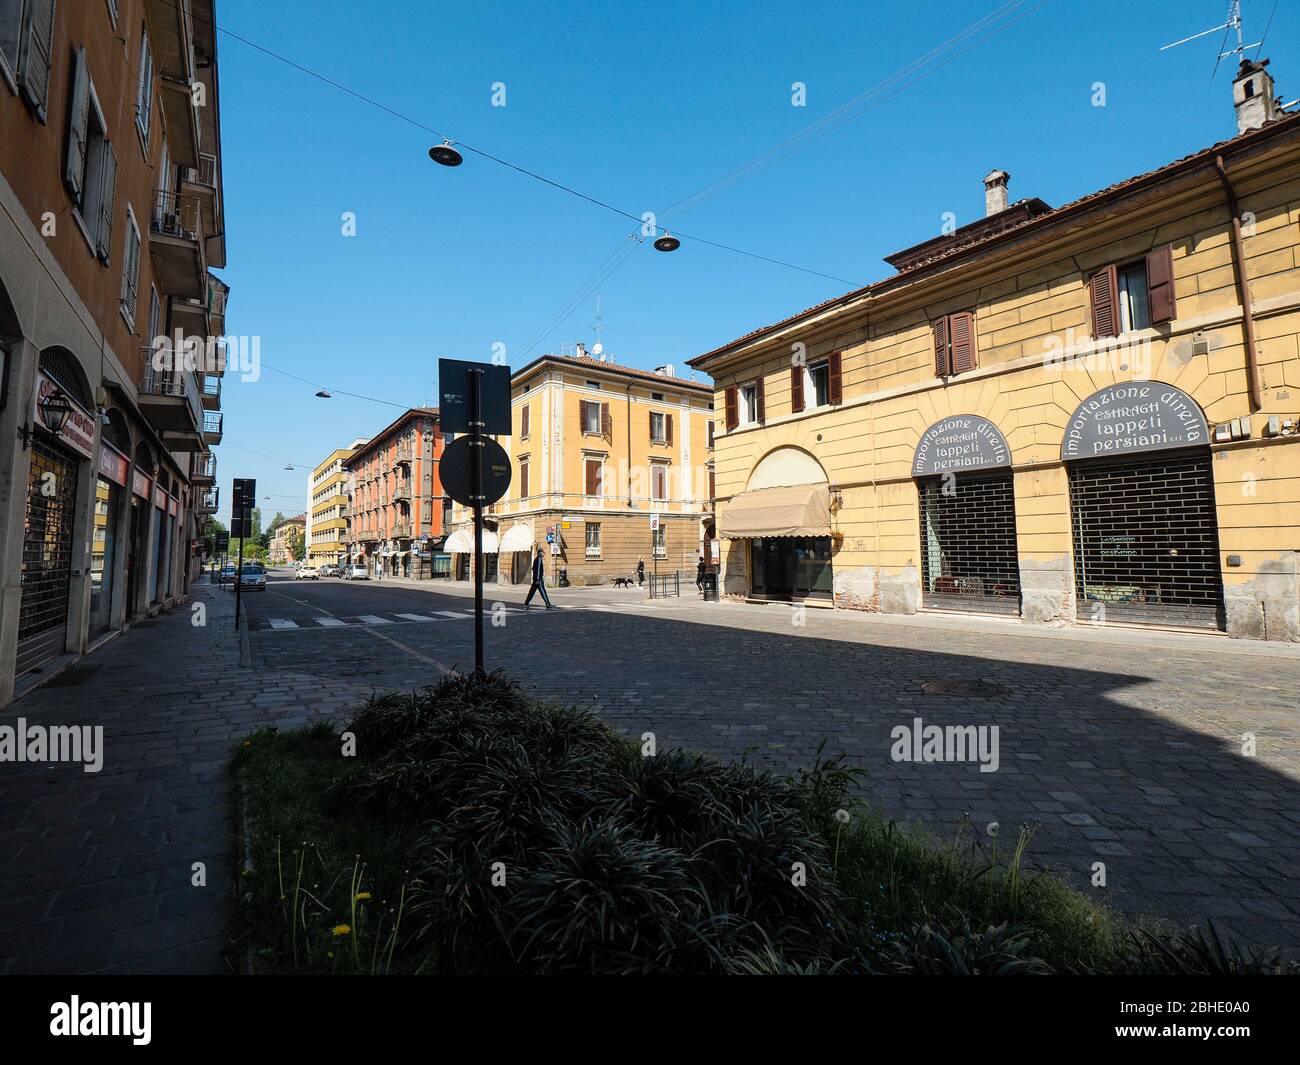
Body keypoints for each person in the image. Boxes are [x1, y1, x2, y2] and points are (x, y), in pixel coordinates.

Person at [524, 545, 555, 609]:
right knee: (543, 592)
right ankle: (548, 605)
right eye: (543, 552)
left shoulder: (536, 559)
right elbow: (538, 570)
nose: (544, 554)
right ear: (540, 553)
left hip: (535, 579)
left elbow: (533, 568)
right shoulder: (539, 559)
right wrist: (538, 579)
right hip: (538, 580)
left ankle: (526, 604)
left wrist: (535, 578)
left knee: (531, 593)